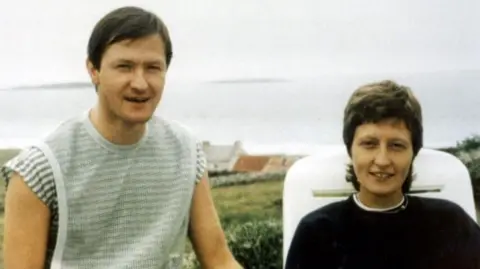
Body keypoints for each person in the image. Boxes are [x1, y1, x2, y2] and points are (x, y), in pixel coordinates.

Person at [1, 6, 242, 269]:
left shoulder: (186, 152)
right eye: (124, 66)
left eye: (153, 68)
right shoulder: (39, 170)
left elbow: (219, 259)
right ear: (93, 70)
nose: (140, 83)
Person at [285, 80, 480, 269]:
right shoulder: (317, 233)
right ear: (350, 149)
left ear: (413, 152)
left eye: (397, 145)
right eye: (369, 144)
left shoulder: (451, 224)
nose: (382, 160)